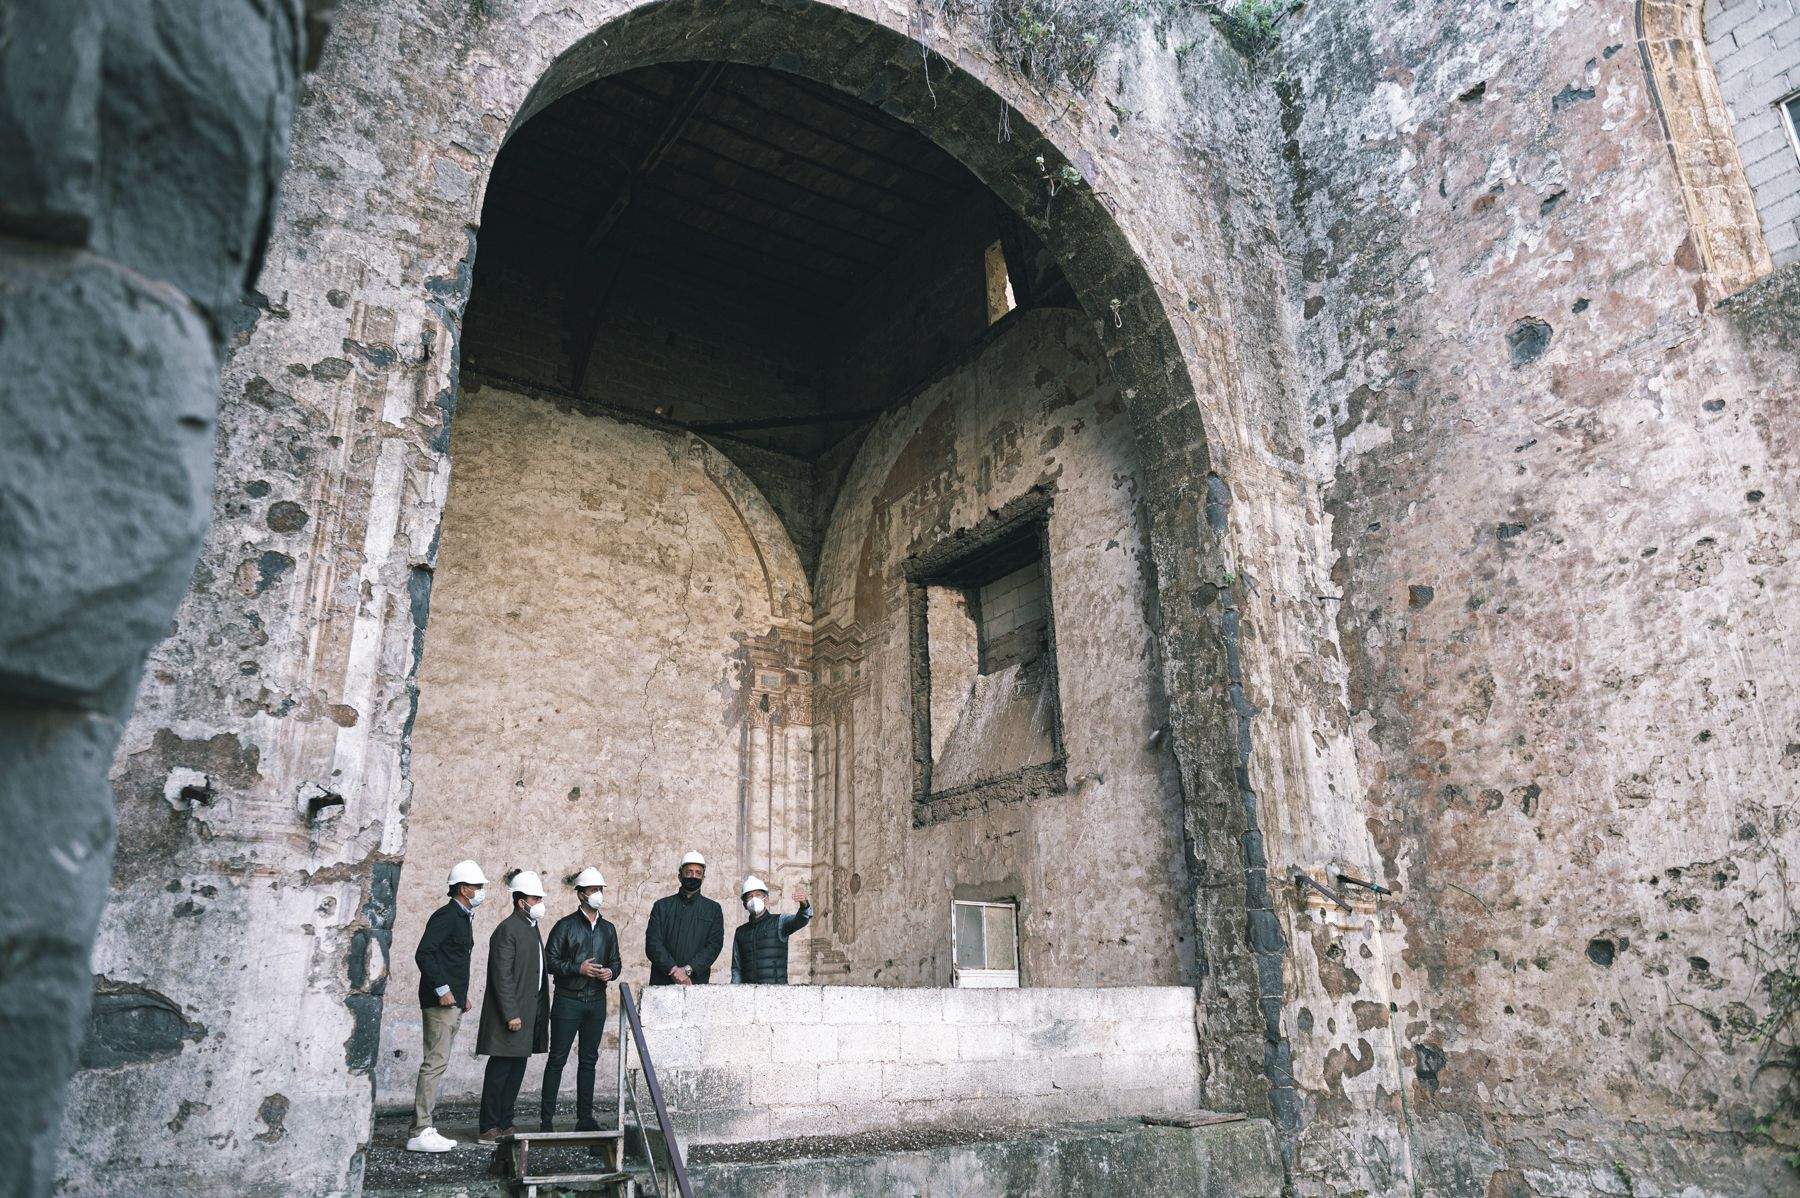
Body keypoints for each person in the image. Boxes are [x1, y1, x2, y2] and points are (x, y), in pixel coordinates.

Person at [405, 859, 486, 1153]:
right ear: (464, 889)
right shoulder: (447, 915)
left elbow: (452, 959)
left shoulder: (462, 917)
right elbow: (424, 954)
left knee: (438, 1062)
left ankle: (426, 1126)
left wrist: (460, 993)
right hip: (439, 1003)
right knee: (434, 1063)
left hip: (451, 1001)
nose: (480, 891)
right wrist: (442, 990)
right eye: (477, 887)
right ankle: (419, 1131)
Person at [539, 866, 621, 1132]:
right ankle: (546, 1121)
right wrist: (578, 968)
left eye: (600, 890)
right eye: (593, 890)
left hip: (596, 1001)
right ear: (581, 895)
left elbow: (616, 962)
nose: (598, 894)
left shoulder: (608, 929)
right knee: (557, 1059)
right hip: (568, 1000)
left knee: (589, 1060)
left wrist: (611, 972)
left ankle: (585, 1118)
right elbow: (550, 962)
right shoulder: (565, 926)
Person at [475, 870, 550, 1142]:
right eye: (535, 898)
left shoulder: (530, 927)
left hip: (527, 1012)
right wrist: (511, 1013)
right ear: (521, 902)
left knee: (516, 1068)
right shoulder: (508, 930)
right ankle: (489, 1125)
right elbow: (501, 975)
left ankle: (506, 1121)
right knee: (500, 1070)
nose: (539, 902)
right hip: (513, 1015)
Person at [644, 851, 723, 986]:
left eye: (698, 873)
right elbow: (653, 943)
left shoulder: (713, 909)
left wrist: (688, 970)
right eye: (689, 872)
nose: (693, 876)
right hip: (662, 982)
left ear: (703, 878)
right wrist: (673, 969)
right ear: (680, 876)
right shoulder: (661, 906)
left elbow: (713, 946)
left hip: (694, 983)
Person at [730, 875, 811, 984]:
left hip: (776, 994)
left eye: (758, 895)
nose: (754, 899)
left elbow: (801, 919)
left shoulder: (779, 922)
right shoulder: (741, 932)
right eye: (750, 896)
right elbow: (737, 968)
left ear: (766, 899)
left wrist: (804, 904)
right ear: (744, 904)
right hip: (748, 994)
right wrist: (735, 993)